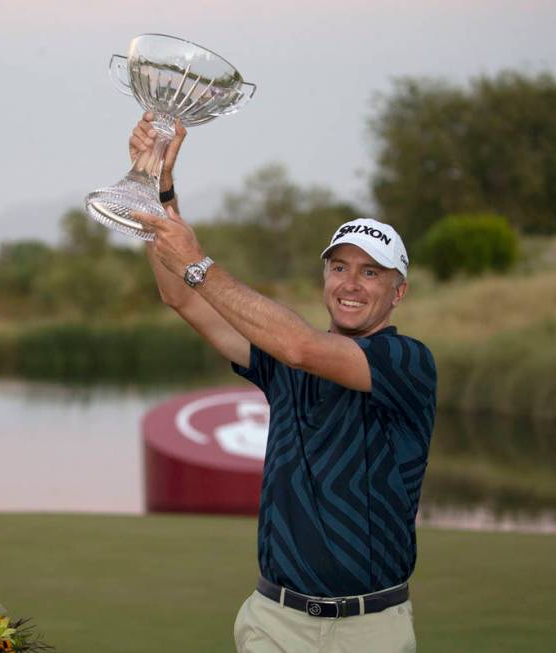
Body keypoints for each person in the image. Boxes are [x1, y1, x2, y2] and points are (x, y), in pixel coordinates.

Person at [128, 112, 436, 653]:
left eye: (371, 272)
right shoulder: (284, 359)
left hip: (369, 629)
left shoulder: (406, 361)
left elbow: (305, 348)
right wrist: (158, 189)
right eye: (339, 268)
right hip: (274, 620)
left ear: (399, 291)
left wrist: (197, 261)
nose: (351, 284)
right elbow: (181, 297)